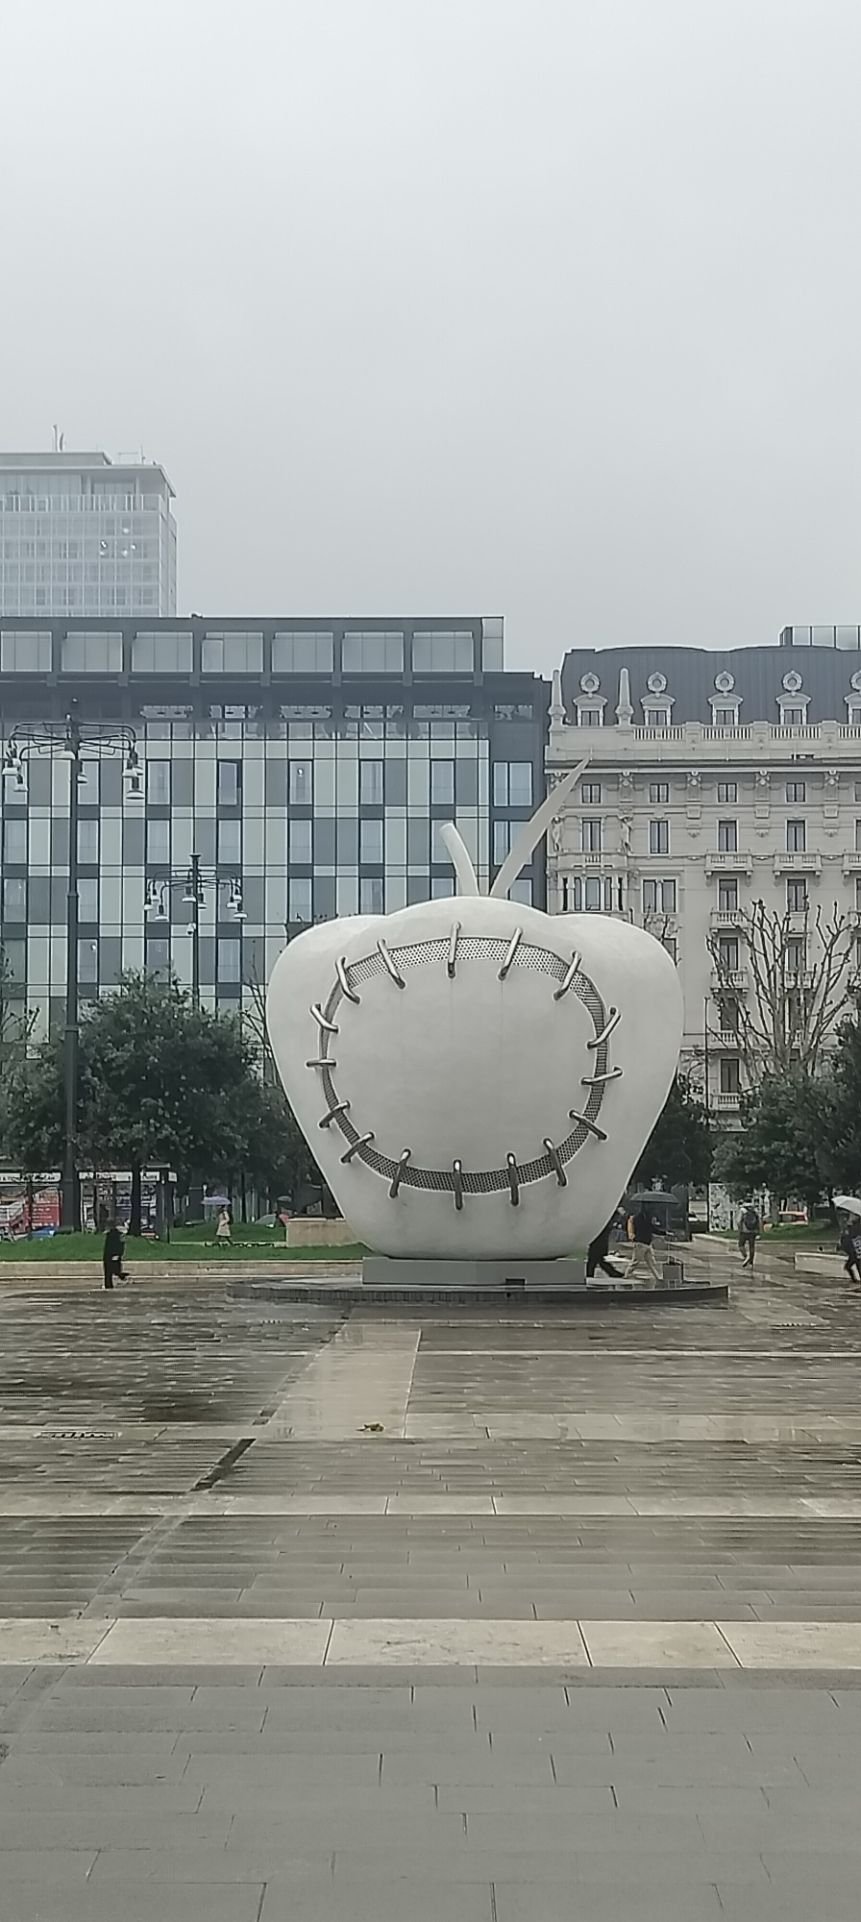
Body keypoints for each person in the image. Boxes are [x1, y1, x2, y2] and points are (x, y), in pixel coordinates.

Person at [625, 1203, 663, 1286]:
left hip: (646, 1243)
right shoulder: (642, 1219)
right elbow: (652, 1228)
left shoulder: (640, 1218)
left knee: (651, 1261)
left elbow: (651, 1228)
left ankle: (658, 1277)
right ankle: (626, 1275)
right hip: (642, 1243)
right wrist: (662, 1232)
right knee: (636, 1261)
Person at [586, 1215, 625, 1280]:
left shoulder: (600, 1223)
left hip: (597, 1242)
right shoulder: (605, 1224)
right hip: (599, 1243)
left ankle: (591, 1274)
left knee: (595, 1260)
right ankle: (612, 1273)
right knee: (597, 1260)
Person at [102, 1219, 126, 1290]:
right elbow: (121, 1245)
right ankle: (110, 1284)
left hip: (110, 1255)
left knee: (109, 1272)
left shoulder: (113, 1235)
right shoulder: (115, 1234)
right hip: (110, 1255)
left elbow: (115, 1246)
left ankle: (109, 1285)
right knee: (111, 1271)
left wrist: (117, 1254)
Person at [738, 1202, 760, 1269]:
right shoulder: (755, 1211)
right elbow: (758, 1221)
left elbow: (739, 1221)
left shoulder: (742, 1211)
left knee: (741, 1245)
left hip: (744, 1231)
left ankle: (746, 1257)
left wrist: (740, 1229)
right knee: (752, 1247)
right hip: (753, 1231)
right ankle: (751, 1262)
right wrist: (758, 1231)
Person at [840, 1215, 861, 1285]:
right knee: (852, 1265)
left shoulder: (854, 1228)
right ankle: (854, 1280)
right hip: (855, 1251)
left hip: (856, 1251)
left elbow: (847, 1239)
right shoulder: (852, 1228)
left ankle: (855, 1280)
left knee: (851, 1265)